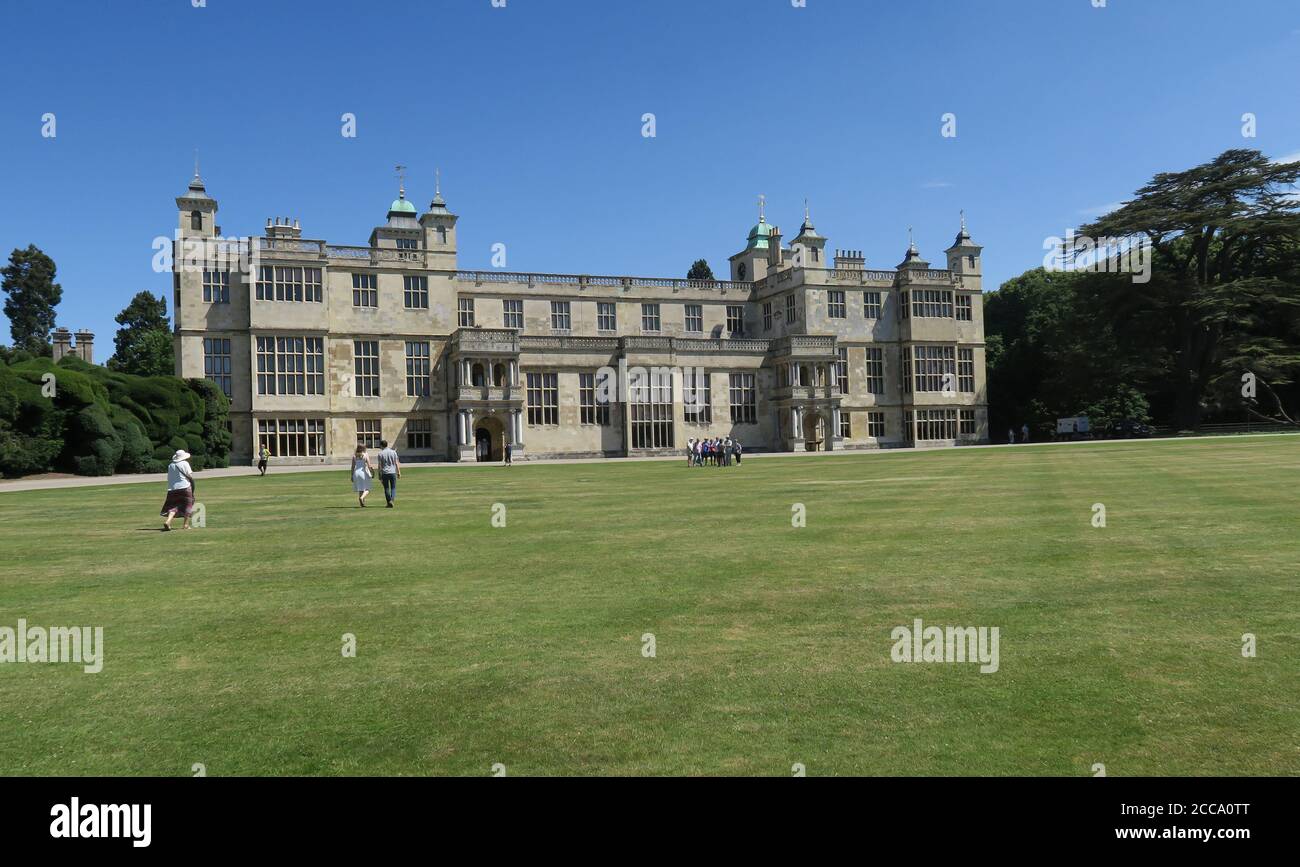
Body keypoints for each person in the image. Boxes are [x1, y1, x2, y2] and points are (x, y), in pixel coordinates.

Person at [160, 449, 195, 531]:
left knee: (174, 506)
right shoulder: (185, 463)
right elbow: (189, 475)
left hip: (172, 489)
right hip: (185, 487)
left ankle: (168, 521)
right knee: (188, 505)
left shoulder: (170, 465)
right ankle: (186, 524)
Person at [376, 439, 400, 507]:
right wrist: (398, 472)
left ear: (381, 445)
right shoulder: (393, 452)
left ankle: (389, 502)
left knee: (386, 488)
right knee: (393, 488)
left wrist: (379, 475)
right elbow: (396, 463)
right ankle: (391, 500)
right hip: (392, 472)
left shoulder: (380, 453)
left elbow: (379, 465)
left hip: (384, 473)